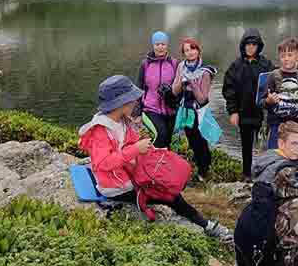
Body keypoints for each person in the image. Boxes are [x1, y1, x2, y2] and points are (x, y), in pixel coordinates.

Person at [78, 75, 231, 240]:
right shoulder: (101, 130)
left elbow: (130, 142)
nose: (135, 103)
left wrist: (143, 147)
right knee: (170, 195)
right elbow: (103, 164)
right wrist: (135, 149)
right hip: (116, 187)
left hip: (128, 173)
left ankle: (204, 223)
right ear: (120, 104)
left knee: (169, 179)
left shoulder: (121, 120)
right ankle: (207, 226)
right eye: (131, 100)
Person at [223, 28, 273, 180]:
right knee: (246, 145)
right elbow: (228, 90)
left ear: (259, 46)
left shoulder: (267, 65)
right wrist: (233, 112)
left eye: (254, 44)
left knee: (263, 145)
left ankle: (262, 173)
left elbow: (274, 84)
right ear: (243, 46)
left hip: (261, 114)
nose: (251, 47)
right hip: (243, 113)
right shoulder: (235, 66)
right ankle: (246, 174)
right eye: (248, 44)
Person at [172, 38, 217, 180]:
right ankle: (199, 167)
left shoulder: (206, 71)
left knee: (201, 140)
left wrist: (192, 82)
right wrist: (181, 81)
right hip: (186, 110)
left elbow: (202, 98)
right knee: (191, 140)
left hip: (200, 111)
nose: (190, 52)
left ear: (198, 50)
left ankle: (205, 170)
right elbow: (174, 91)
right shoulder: (181, 67)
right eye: (186, 50)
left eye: (192, 49)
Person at [265, 37, 298, 149]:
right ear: (279, 58)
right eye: (283, 56)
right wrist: (269, 100)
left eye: (290, 55)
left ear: (297, 57)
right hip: (276, 126)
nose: (286, 59)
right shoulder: (273, 76)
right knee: (275, 158)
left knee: (294, 159)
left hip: (297, 126)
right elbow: (261, 103)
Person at [135, 31, 178, 148]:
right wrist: (137, 114)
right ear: (153, 45)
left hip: (171, 110)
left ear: (167, 45)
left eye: (163, 44)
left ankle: (163, 164)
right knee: (161, 135)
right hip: (151, 108)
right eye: (157, 44)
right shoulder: (145, 64)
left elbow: (180, 88)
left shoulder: (173, 63)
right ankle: (152, 162)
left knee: (167, 141)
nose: (160, 47)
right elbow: (139, 88)